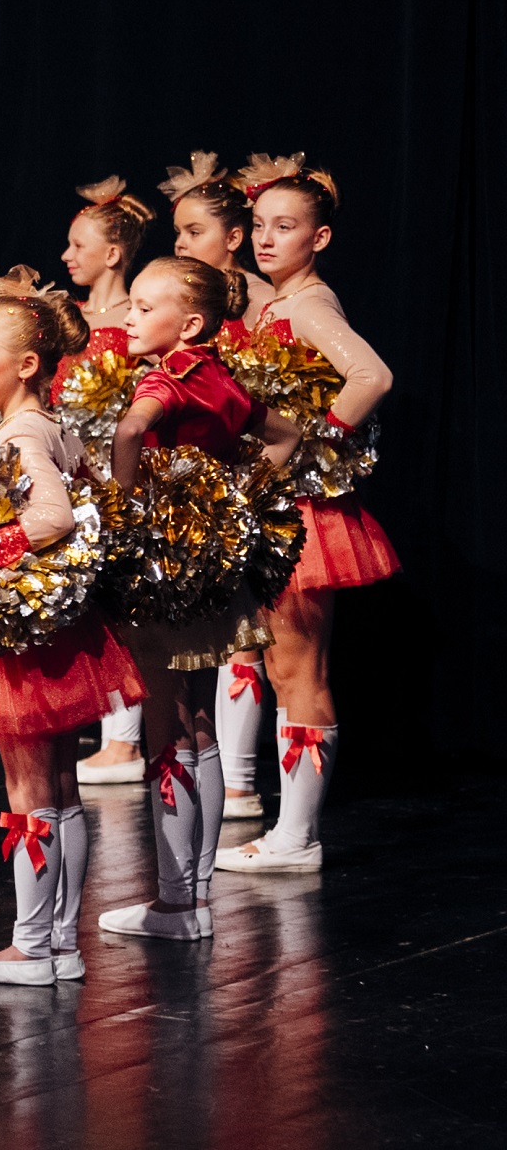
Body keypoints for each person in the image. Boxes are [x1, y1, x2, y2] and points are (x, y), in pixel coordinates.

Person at [0, 266, 146, 985]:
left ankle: (32, 946)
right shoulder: (51, 424)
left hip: (23, 635)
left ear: (28, 364)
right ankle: (58, 944)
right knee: (59, 787)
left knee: (29, 789)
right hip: (57, 630)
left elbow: (53, 516)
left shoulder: (20, 435)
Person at [95, 257, 300, 942]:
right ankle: (193, 898)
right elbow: (288, 435)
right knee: (200, 722)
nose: (128, 316)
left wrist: (122, 518)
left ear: (188, 322)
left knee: (169, 725)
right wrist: (237, 501)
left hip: (163, 569)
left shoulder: (168, 376)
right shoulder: (221, 375)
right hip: (209, 571)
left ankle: (177, 904)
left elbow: (129, 431)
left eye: (143, 306)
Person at [218, 158, 397, 873]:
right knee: (275, 661)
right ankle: (285, 826)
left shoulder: (306, 305)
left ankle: (297, 837)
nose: (266, 239)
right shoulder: (274, 303)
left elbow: (373, 375)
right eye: (260, 226)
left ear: (318, 237)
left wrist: (315, 447)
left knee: (298, 670)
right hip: (274, 508)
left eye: (284, 228)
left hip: (303, 516)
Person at [161, 152, 277, 819]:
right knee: (211, 638)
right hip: (197, 488)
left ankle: (239, 778)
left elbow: (270, 399)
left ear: (232, 238)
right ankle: (220, 775)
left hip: (243, 483)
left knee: (246, 634)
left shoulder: (258, 301)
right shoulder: (187, 299)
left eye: (194, 232)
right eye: (177, 233)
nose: (182, 245)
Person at [58, 177, 156, 786]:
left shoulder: (136, 320)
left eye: (77, 245)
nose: (67, 256)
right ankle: (111, 733)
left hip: (124, 471)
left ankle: (125, 742)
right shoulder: (68, 319)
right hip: (74, 472)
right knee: (90, 600)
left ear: (113, 254)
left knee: (125, 599)